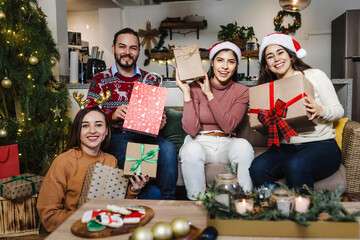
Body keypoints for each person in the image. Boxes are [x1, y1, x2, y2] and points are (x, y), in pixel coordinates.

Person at [86, 28, 178, 200]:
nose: (127, 52)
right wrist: (111, 116)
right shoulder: (100, 79)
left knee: (168, 148)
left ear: (138, 51)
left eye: (132, 48)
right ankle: (140, 192)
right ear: (113, 48)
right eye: (122, 47)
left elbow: (155, 114)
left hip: (146, 136)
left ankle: (168, 203)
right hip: (116, 136)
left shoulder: (150, 79)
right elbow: (87, 115)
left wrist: (160, 120)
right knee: (126, 148)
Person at [37, 106, 159, 232]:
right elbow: (49, 215)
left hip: (104, 229)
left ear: (106, 131)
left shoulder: (111, 160)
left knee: (153, 192)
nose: (92, 131)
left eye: (99, 125)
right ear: (77, 131)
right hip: (75, 229)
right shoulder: (63, 161)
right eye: (85, 126)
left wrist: (134, 189)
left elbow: (115, 204)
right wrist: (90, 218)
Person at [249, 33, 344, 193]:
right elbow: (273, 129)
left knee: (296, 165)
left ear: (291, 56)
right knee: (257, 168)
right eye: (270, 57)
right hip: (286, 148)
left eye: (280, 52)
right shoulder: (268, 89)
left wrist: (320, 110)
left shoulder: (314, 75)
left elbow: (338, 110)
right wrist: (260, 121)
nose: (276, 59)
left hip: (322, 145)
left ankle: (303, 213)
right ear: (266, 65)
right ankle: (276, 207)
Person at [176, 41, 255, 200]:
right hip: (199, 142)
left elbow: (229, 126)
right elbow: (191, 130)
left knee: (244, 146)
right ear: (212, 62)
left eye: (231, 61)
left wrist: (210, 96)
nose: (225, 66)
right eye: (220, 60)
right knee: (190, 150)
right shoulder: (195, 87)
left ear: (236, 66)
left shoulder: (242, 92)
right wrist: (186, 93)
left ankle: (244, 202)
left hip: (227, 142)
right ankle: (198, 203)